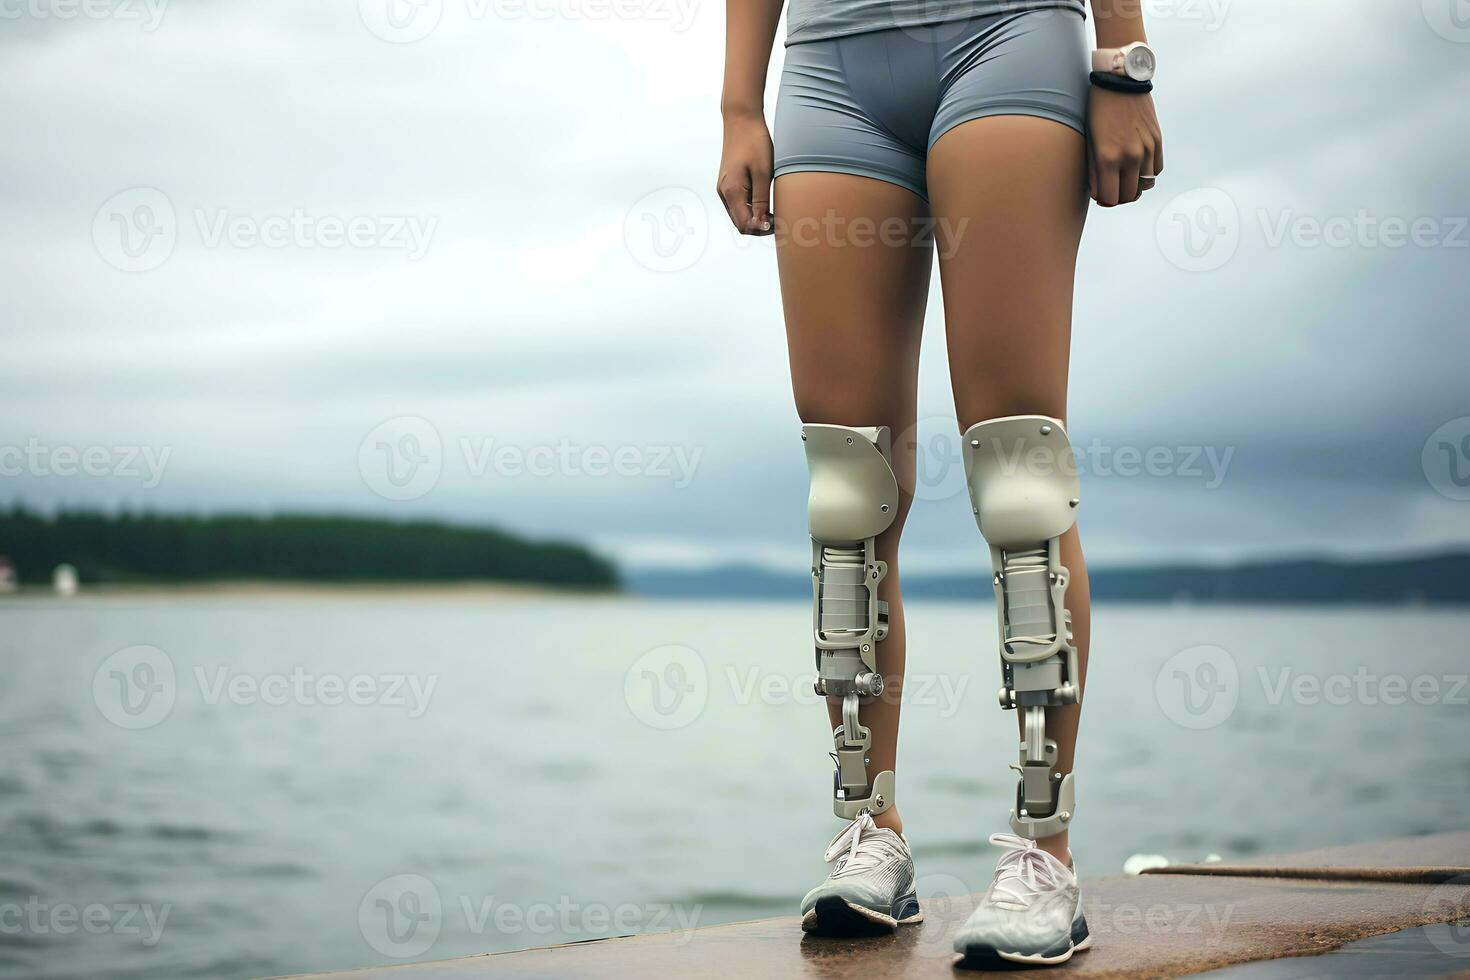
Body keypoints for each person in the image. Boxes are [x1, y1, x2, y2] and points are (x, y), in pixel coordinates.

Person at [717, 0, 1162, 966]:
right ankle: (870, 834)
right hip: (832, 65)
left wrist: (1122, 58)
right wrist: (737, 105)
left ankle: (1046, 854)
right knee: (848, 487)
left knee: (1018, 472)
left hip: (1006, 35)